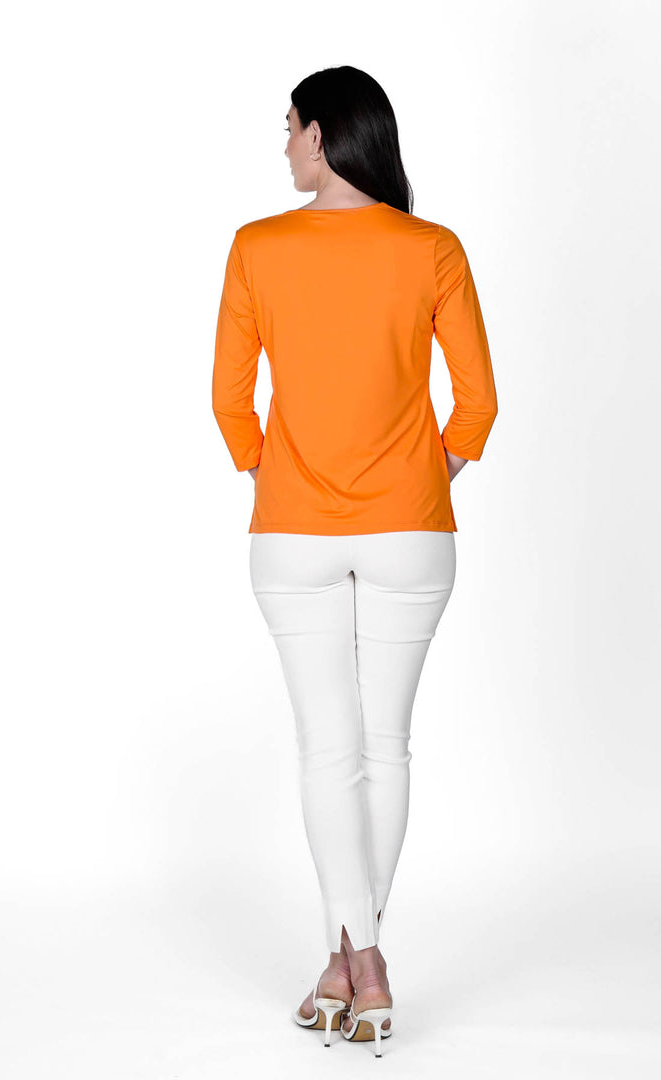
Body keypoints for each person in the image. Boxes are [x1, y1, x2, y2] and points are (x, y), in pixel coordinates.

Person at [212, 65, 498, 1055]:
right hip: (412, 531)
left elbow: (229, 401)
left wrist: (271, 472)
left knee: (328, 752)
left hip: (291, 531)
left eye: (290, 126)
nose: (285, 143)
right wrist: (426, 475)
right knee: (386, 749)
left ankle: (352, 963)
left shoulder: (257, 247)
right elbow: (477, 404)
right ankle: (362, 962)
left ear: (323, 134)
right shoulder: (432, 249)